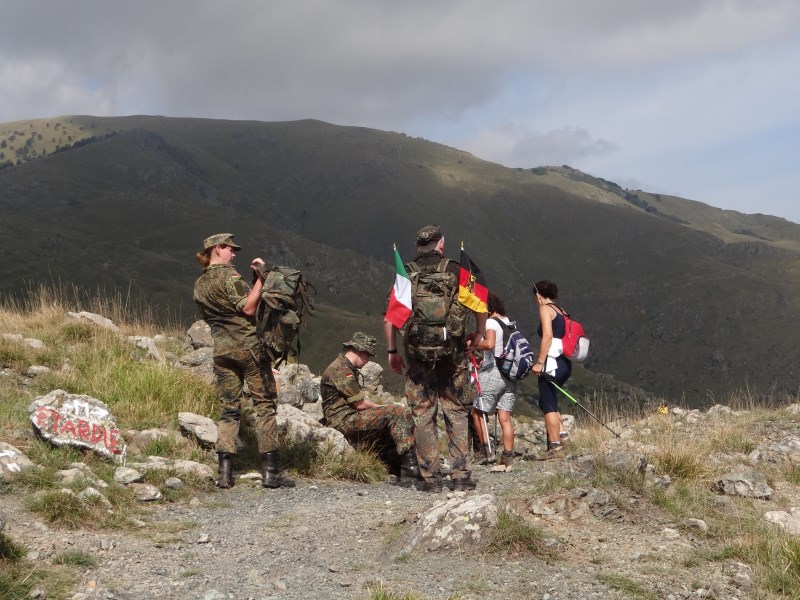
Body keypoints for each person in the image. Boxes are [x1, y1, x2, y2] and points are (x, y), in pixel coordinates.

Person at [384, 225, 486, 493]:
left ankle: (431, 479)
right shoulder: (454, 269)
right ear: (441, 244)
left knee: (423, 413)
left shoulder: (406, 273)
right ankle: (461, 475)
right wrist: (479, 335)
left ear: (419, 247)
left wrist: (392, 351)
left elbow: (391, 316)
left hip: (418, 357)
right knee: (456, 411)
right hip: (452, 355)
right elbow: (478, 302)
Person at [193, 233, 295, 489]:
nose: (234, 254)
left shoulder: (199, 284)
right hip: (248, 349)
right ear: (218, 249)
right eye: (230, 249)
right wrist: (260, 280)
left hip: (222, 352)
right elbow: (248, 308)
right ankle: (271, 472)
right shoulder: (229, 276)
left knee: (229, 409)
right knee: (264, 405)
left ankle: (225, 473)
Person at [320, 332, 420, 481]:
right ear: (359, 351)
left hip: (349, 417)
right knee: (396, 411)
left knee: (402, 414)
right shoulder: (341, 369)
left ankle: (398, 464)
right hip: (342, 420)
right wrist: (384, 407)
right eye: (367, 356)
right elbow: (360, 404)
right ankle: (410, 467)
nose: (368, 361)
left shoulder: (345, 367)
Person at [470, 292, 516, 468]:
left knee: (478, 412)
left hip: (493, 372)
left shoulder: (490, 322)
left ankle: (486, 452)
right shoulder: (508, 321)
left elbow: (489, 344)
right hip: (509, 374)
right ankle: (507, 456)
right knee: (505, 416)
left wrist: (472, 344)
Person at [531, 280, 572, 460]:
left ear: (538, 294)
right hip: (565, 363)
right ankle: (563, 436)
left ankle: (554, 447)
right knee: (551, 400)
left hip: (552, 362)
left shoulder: (545, 309)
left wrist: (539, 362)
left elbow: (547, 335)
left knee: (548, 403)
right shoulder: (561, 311)